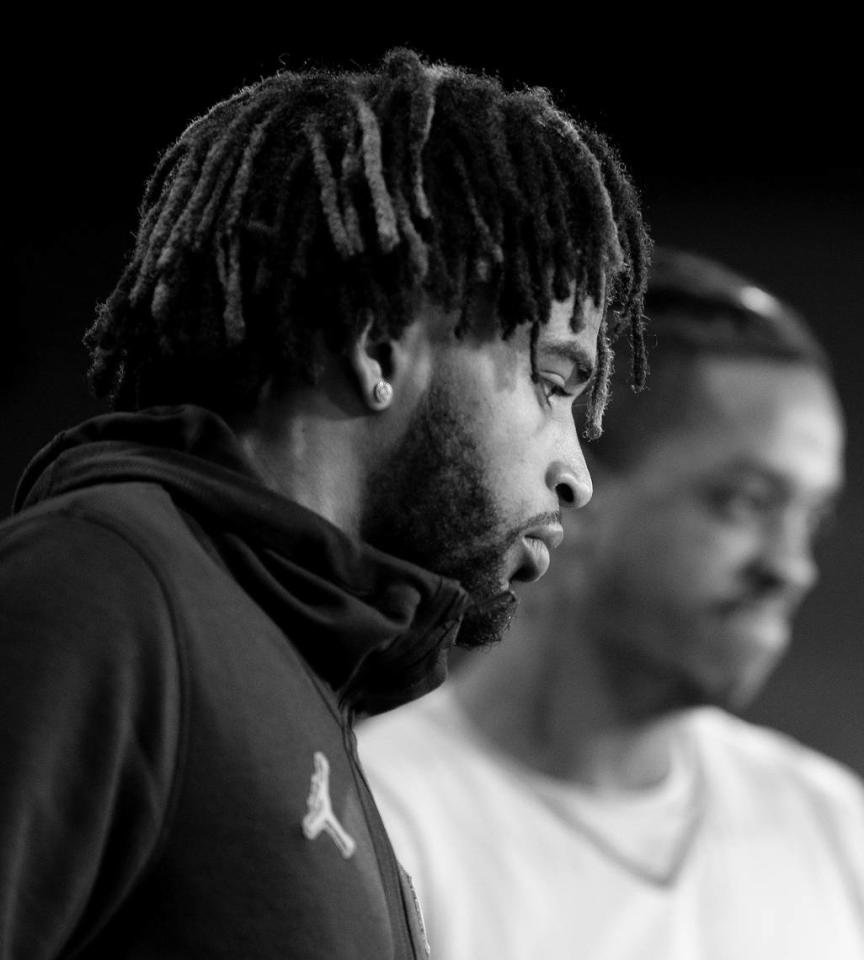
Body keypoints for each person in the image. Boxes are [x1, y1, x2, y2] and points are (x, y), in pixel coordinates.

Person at [0, 49, 651, 959]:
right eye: (551, 380)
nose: (577, 472)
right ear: (378, 347)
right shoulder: (100, 589)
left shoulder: (304, 669)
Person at [359, 248, 864, 959]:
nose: (792, 567)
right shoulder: (384, 821)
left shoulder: (825, 820)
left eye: (811, 517)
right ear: (577, 495)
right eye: (747, 503)